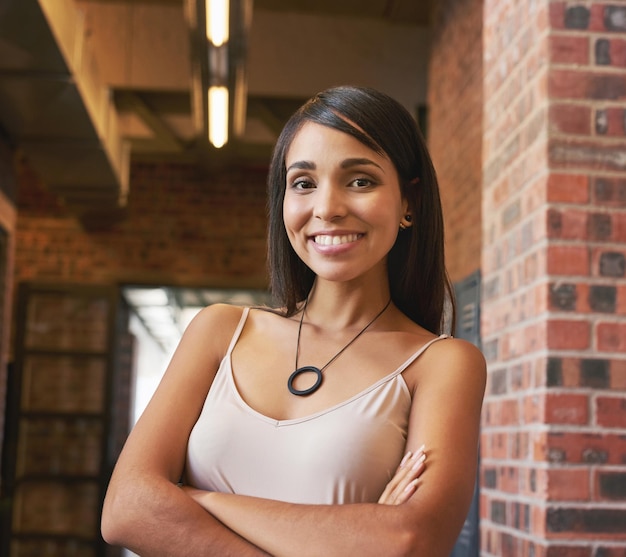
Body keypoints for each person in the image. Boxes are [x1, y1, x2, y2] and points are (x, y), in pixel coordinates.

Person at [101, 85, 486, 556]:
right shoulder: (220, 331)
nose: (327, 208)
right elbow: (125, 508)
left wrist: (196, 499)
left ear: (410, 202)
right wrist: (350, 536)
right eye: (304, 183)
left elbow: (408, 540)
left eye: (360, 181)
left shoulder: (442, 364)